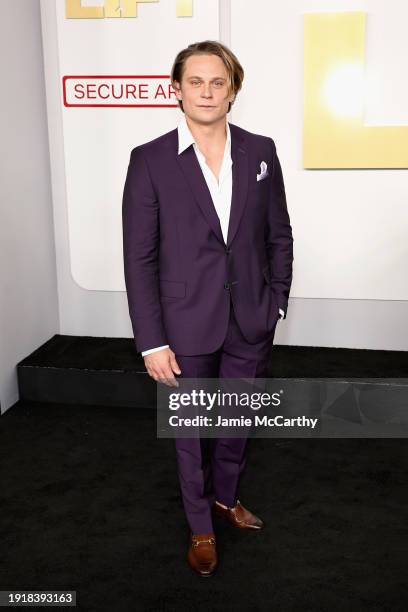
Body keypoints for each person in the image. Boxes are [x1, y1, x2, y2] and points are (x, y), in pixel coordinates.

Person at [122, 40, 293, 577]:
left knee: (237, 421)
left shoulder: (260, 150)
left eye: (218, 82)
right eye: (195, 81)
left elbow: (279, 233)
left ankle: (225, 498)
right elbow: (139, 257)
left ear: (233, 89)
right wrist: (151, 340)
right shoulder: (149, 160)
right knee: (191, 431)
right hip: (182, 325)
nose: (207, 91)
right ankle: (200, 525)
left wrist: (277, 302)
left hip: (250, 319)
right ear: (176, 90)